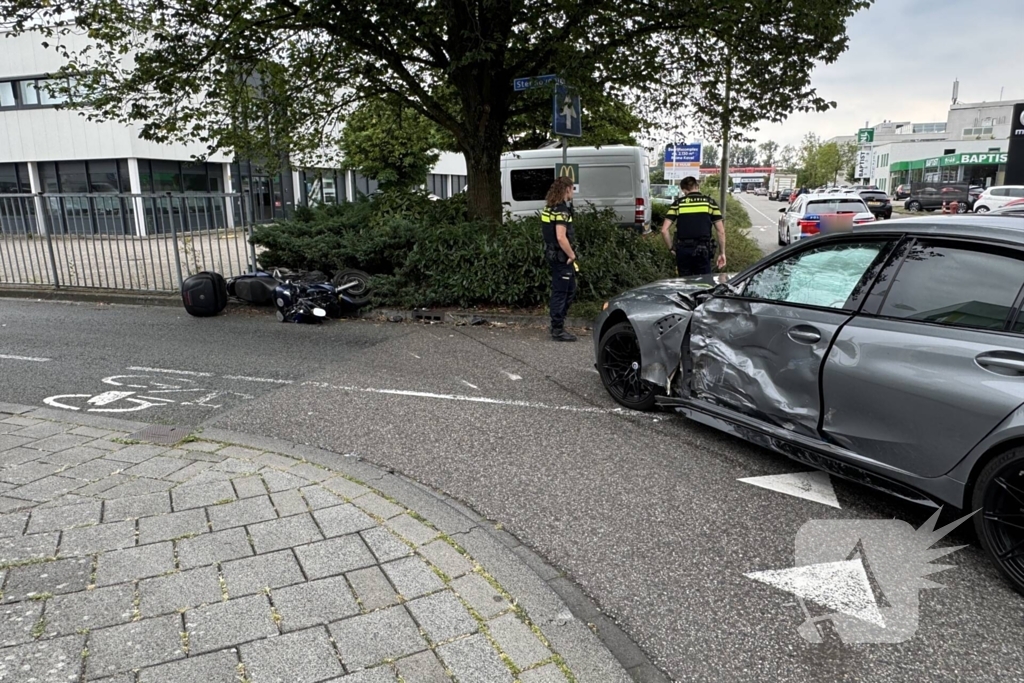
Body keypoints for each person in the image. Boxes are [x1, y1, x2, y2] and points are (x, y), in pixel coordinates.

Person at [660, 176, 726, 277]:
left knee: (685, 285)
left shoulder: (678, 204)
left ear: (683, 190)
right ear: (697, 186)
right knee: (704, 285)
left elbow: (664, 230)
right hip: (703, 250)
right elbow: (721, 231)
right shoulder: (709, 203)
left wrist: (671, 248)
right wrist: (722, 253)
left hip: (683, 250)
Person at [541, 177, 578, 342]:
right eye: (572, 188)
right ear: (567, 189)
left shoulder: (550, 208)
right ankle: (557, 329)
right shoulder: (562, 210)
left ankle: (558, 324)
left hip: (552, 253)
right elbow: (561, 237)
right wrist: (572, 255)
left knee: (569, 288)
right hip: (561, 256)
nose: (573, 192)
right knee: (562, 292)